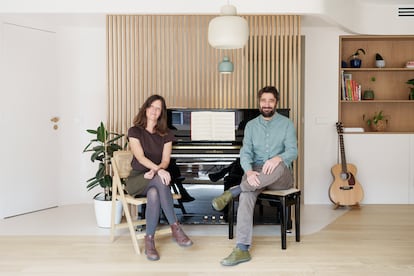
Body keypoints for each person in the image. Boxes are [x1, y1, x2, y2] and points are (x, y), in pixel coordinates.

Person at [211, 86, 298, 266]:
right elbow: (245, 153)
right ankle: (242, 248)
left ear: (276, 103)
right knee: (247, 194)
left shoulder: (287, 124)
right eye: (263, 100)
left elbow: (292, 151)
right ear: (259, 102)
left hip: (281, 176)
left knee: (278, 167)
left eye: (271, 100)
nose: (267, 104)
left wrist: (277, 158)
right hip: (257, 173)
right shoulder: (251, 126)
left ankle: (233, 191)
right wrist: (249, 171)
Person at [125, 94, 193, 261]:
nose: (155, 111)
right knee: (159, 180)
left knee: (155, 192)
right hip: (137, 179)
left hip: (154, 178)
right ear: (146, 108)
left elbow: (165, 161)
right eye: (152, 107)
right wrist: (158, 171)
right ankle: (175, 228)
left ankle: (149, 241)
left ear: (162, 112)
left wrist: (156, 171)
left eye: (159, 108)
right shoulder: (134, 131)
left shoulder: (166, 134)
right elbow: (140, 158)